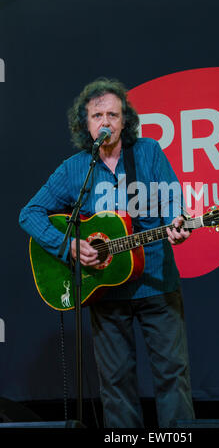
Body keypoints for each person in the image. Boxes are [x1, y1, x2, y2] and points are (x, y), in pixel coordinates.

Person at [19, 77, 195, 428]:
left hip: (156, 285)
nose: (105, 122)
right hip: (106, 289)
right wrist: (68, 245)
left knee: (172, 376)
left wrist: (178, 221)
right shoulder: (75, 169)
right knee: (115, 384)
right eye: (97, 115)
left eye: (113, 115)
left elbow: (173, 196)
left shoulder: (147, 152)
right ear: (84, 125)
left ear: (124, 120)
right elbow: (30, 213)